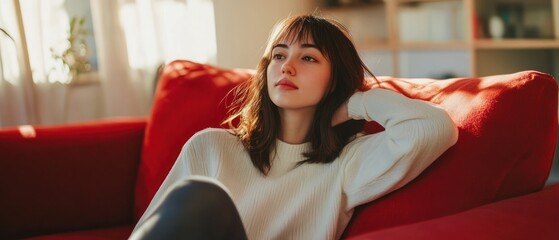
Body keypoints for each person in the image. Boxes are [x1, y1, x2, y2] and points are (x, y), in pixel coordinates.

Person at [130, 14, 458, 240]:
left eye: (309, 58)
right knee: (198, 196)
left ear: (335, 81)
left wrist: (355, 103)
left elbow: (435, 129)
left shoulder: (347, 164)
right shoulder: (210, 147)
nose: (287, 66)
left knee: (201, 196)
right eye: (278, 55)